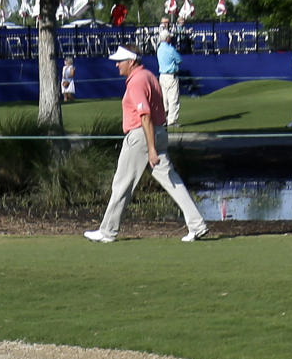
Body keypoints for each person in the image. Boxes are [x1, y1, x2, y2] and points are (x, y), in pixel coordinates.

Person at [84, 46, 208, 244]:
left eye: (120, 61)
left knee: (122, 184)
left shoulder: (137, 82)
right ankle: (197, 225)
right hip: (158, 133)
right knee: (172, 181)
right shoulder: (149, 76)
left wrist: (150, 148)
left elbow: (145, 115)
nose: (117, 65)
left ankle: (107, 231)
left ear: (131, 61)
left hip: (142, 137)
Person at [156, 28, 182, 127]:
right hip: (171, 75)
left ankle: (163, 119)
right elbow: (179, 59)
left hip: (162, 76)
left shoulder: (159, 49)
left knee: (164, 99)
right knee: (173, 99)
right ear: (167, 38)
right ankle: (172, 120)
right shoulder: (170, 49)